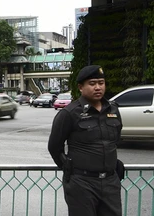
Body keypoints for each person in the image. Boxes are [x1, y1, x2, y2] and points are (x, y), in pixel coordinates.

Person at [48, 65, 124, 216]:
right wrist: (69, 168)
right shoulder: (69, 113)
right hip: (82, 184)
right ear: (81, 87)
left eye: (101, 83)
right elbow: (54, 147)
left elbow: (114, 140)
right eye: (92, 83)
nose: (98, 87)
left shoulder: (113, 110)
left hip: (110, 183)